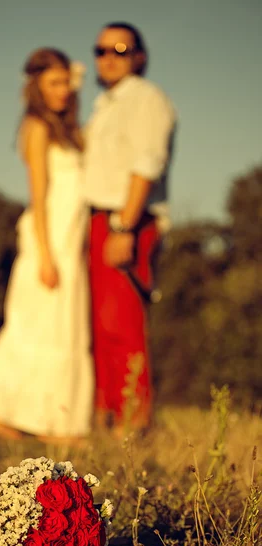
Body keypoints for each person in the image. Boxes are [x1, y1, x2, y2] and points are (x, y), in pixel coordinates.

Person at [0, 48, 93, 443]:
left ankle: (55, 419)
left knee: (63, 328)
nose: (61, 90)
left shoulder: (69, 130)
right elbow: (38, 196)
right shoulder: (36, 127)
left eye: (65, 82)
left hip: (71, 240)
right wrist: (45, 253)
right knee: (34, 323)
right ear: (37, 87)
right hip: (49, 238)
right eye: (53, 83)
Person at [83, 22, 176, 437]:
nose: (108, 57)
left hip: (128, 219)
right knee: (100, 323)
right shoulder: (107, 103)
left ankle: (136, 419)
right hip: (101, 217)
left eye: (119, 49)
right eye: (100, 50)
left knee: (121, 320)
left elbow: (146, 165)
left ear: (139, 55)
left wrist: (124, 225)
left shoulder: (147, 99)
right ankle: (108, 413)